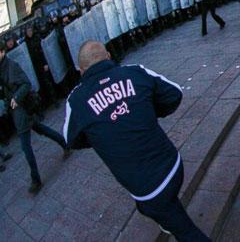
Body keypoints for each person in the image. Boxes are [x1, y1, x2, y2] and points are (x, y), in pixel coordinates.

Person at [63, 41, 209, 241]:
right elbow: (174, 94)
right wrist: (144, 111)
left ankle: (170, 221)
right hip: (173, 166)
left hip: (148, 191)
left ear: (81, 71)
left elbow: (71, 139)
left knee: (184, 230)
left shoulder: (76, 100)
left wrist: (101, 136)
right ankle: (168, 216)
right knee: (160, 208)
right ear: (108, 56)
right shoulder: (134, 72)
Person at [0, 42, 69, 193]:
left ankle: (35, 179)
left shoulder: (12, 66)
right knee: (41, 129)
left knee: (25, 146)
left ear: (2, 52)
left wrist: (16, 98)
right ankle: (64, 143)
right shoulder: (2, 68)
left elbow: (25, 84)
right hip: (17, 110)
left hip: (22, 109)